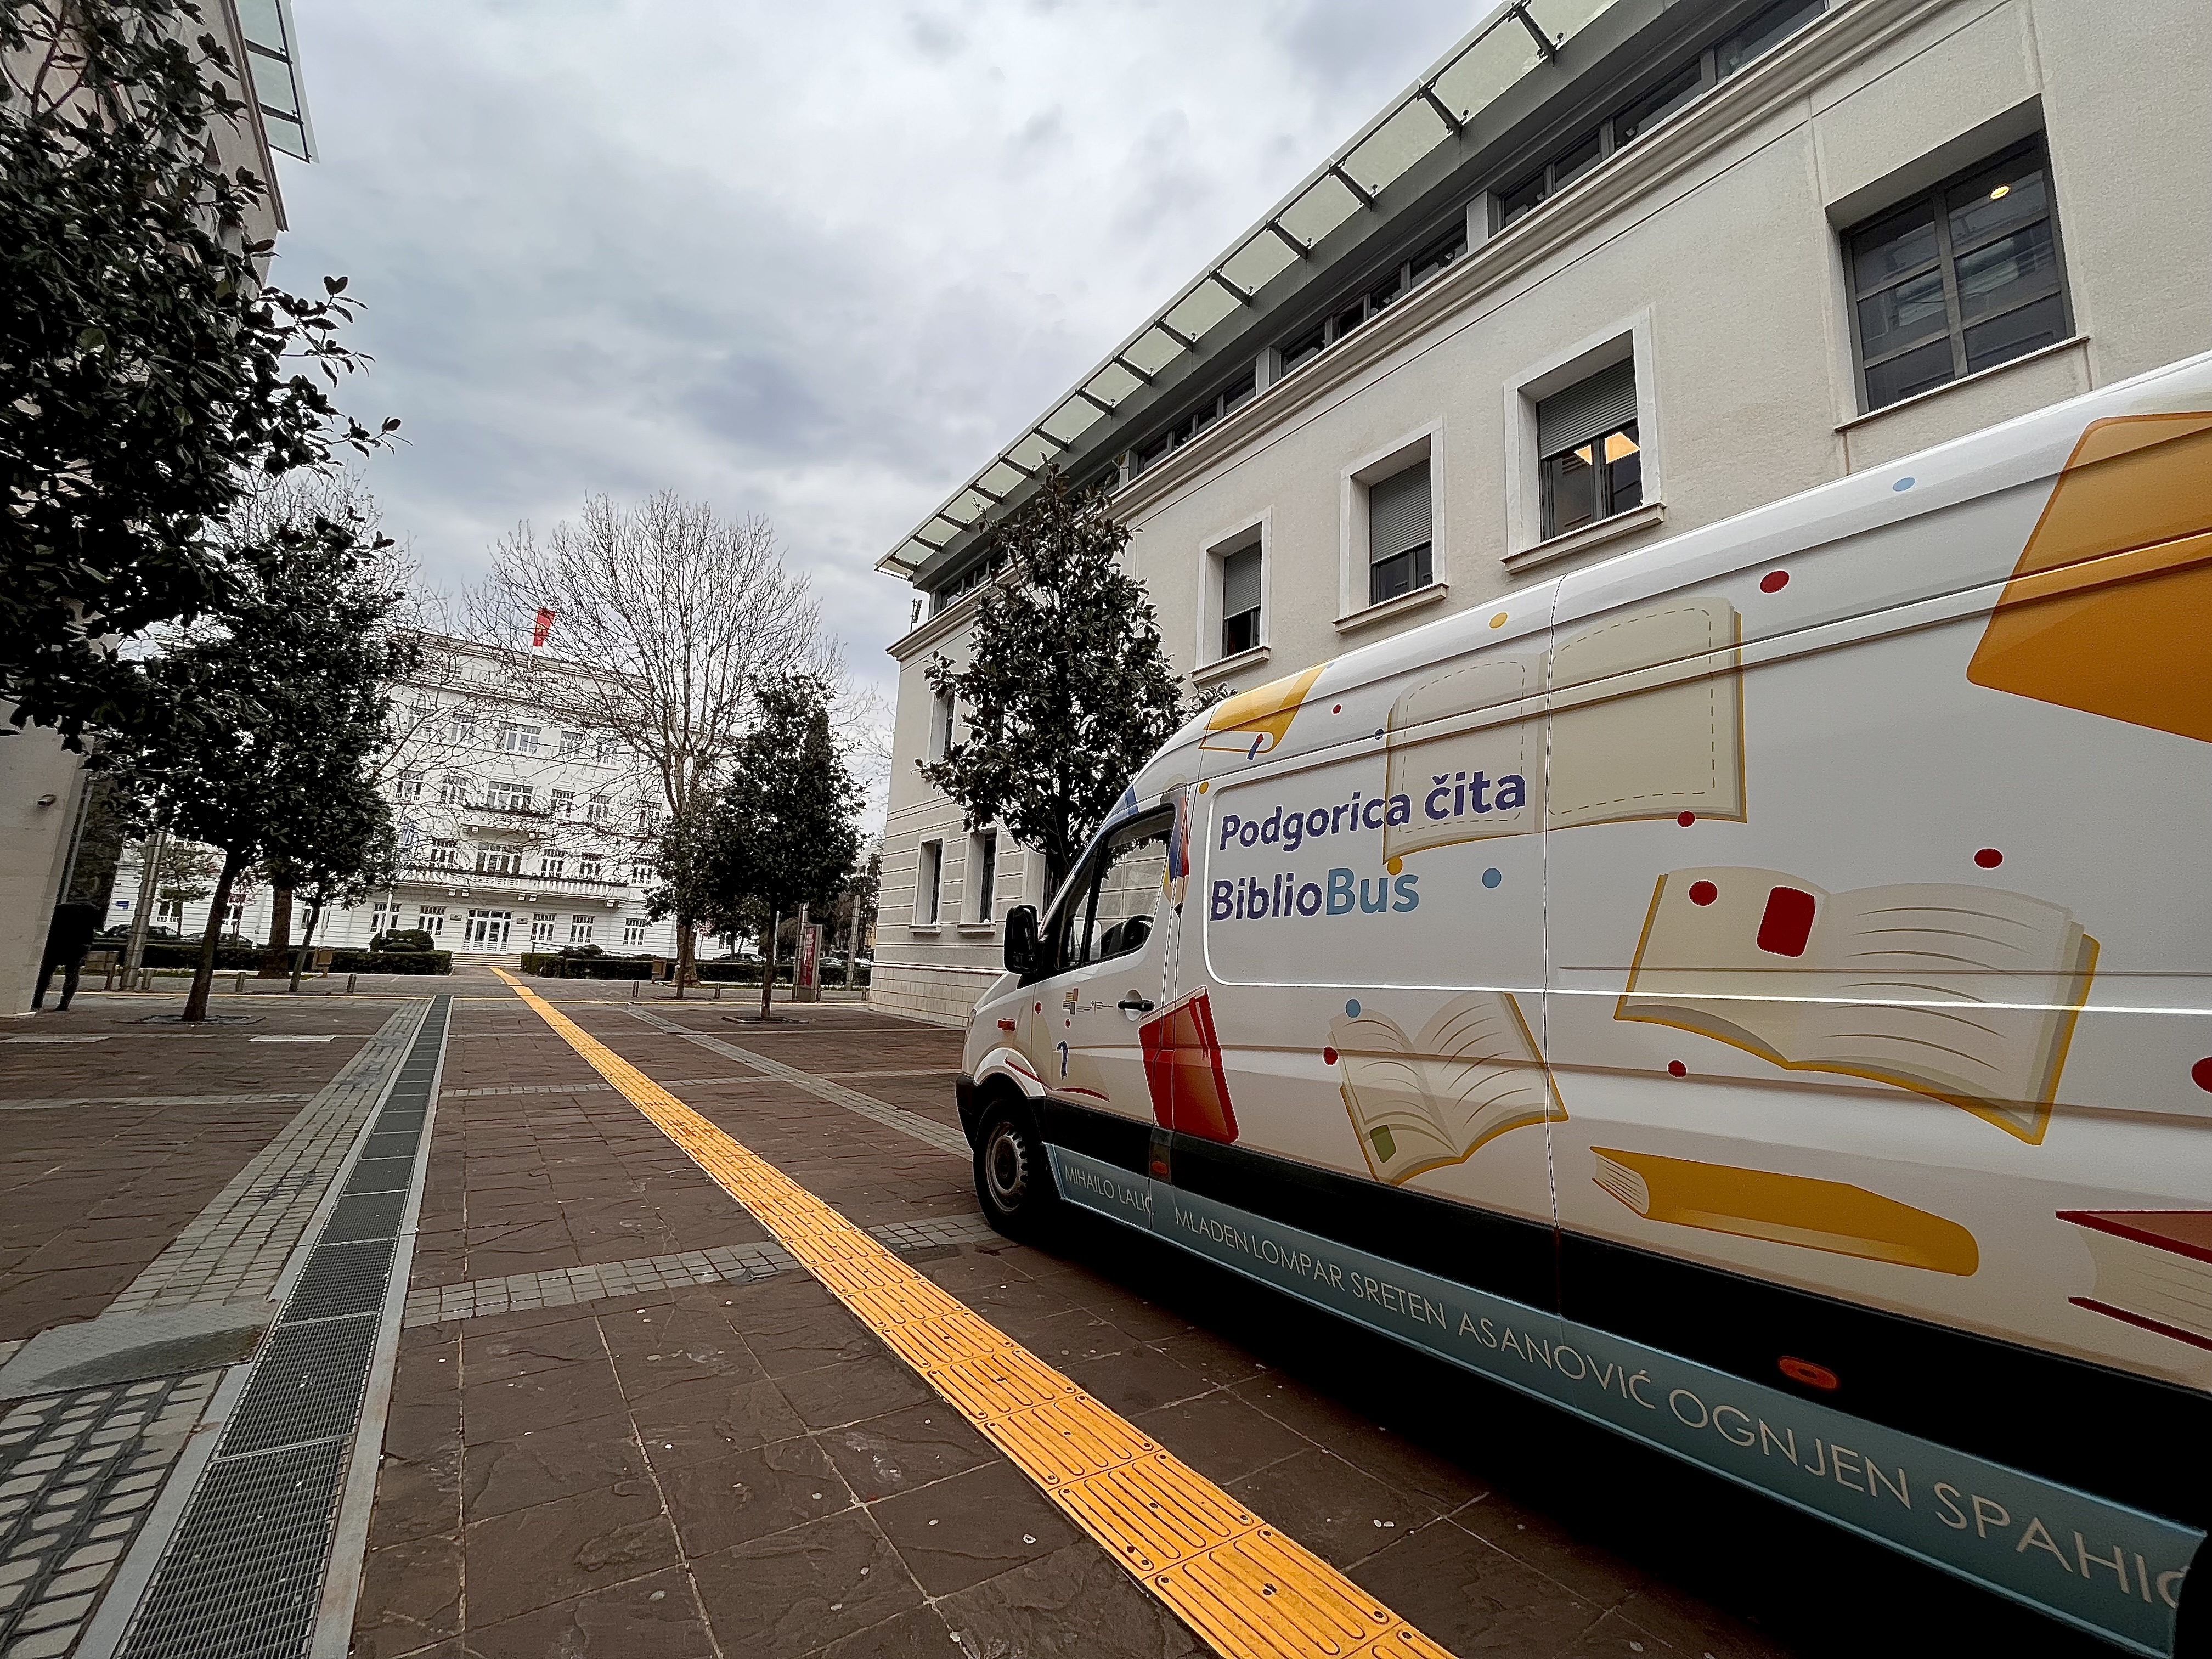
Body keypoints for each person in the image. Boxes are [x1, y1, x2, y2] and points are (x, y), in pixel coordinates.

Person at [35, 901, 103, 1012]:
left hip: (56, 943)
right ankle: (65, 1003)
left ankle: (37, 1001)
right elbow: (96, 928)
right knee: (73, 972)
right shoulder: (90, 912)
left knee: (45, 973)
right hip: (80, 944)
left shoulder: (57, 910)